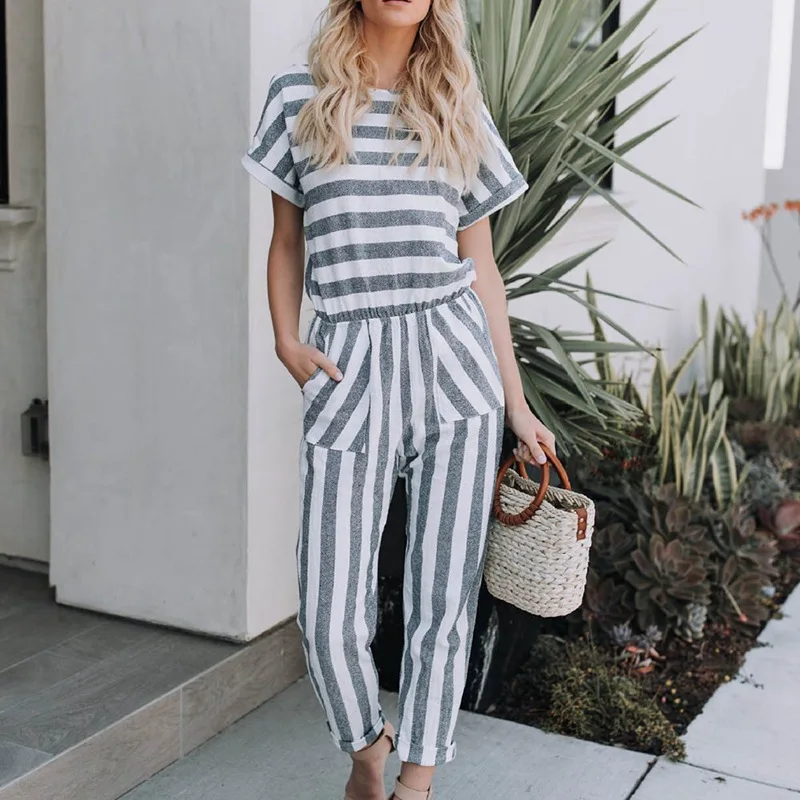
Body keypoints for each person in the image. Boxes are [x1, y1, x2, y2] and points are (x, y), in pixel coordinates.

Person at [241, 1, 555, 797]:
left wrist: (516, 404)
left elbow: (482, 267)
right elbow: (287, 239)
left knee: (442, 597)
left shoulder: (456, 103)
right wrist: (286, 338)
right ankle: (367, 748)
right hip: (347, 363)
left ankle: (417, 779)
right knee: (326, 609)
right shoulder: (296, 95)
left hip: (454, 363)